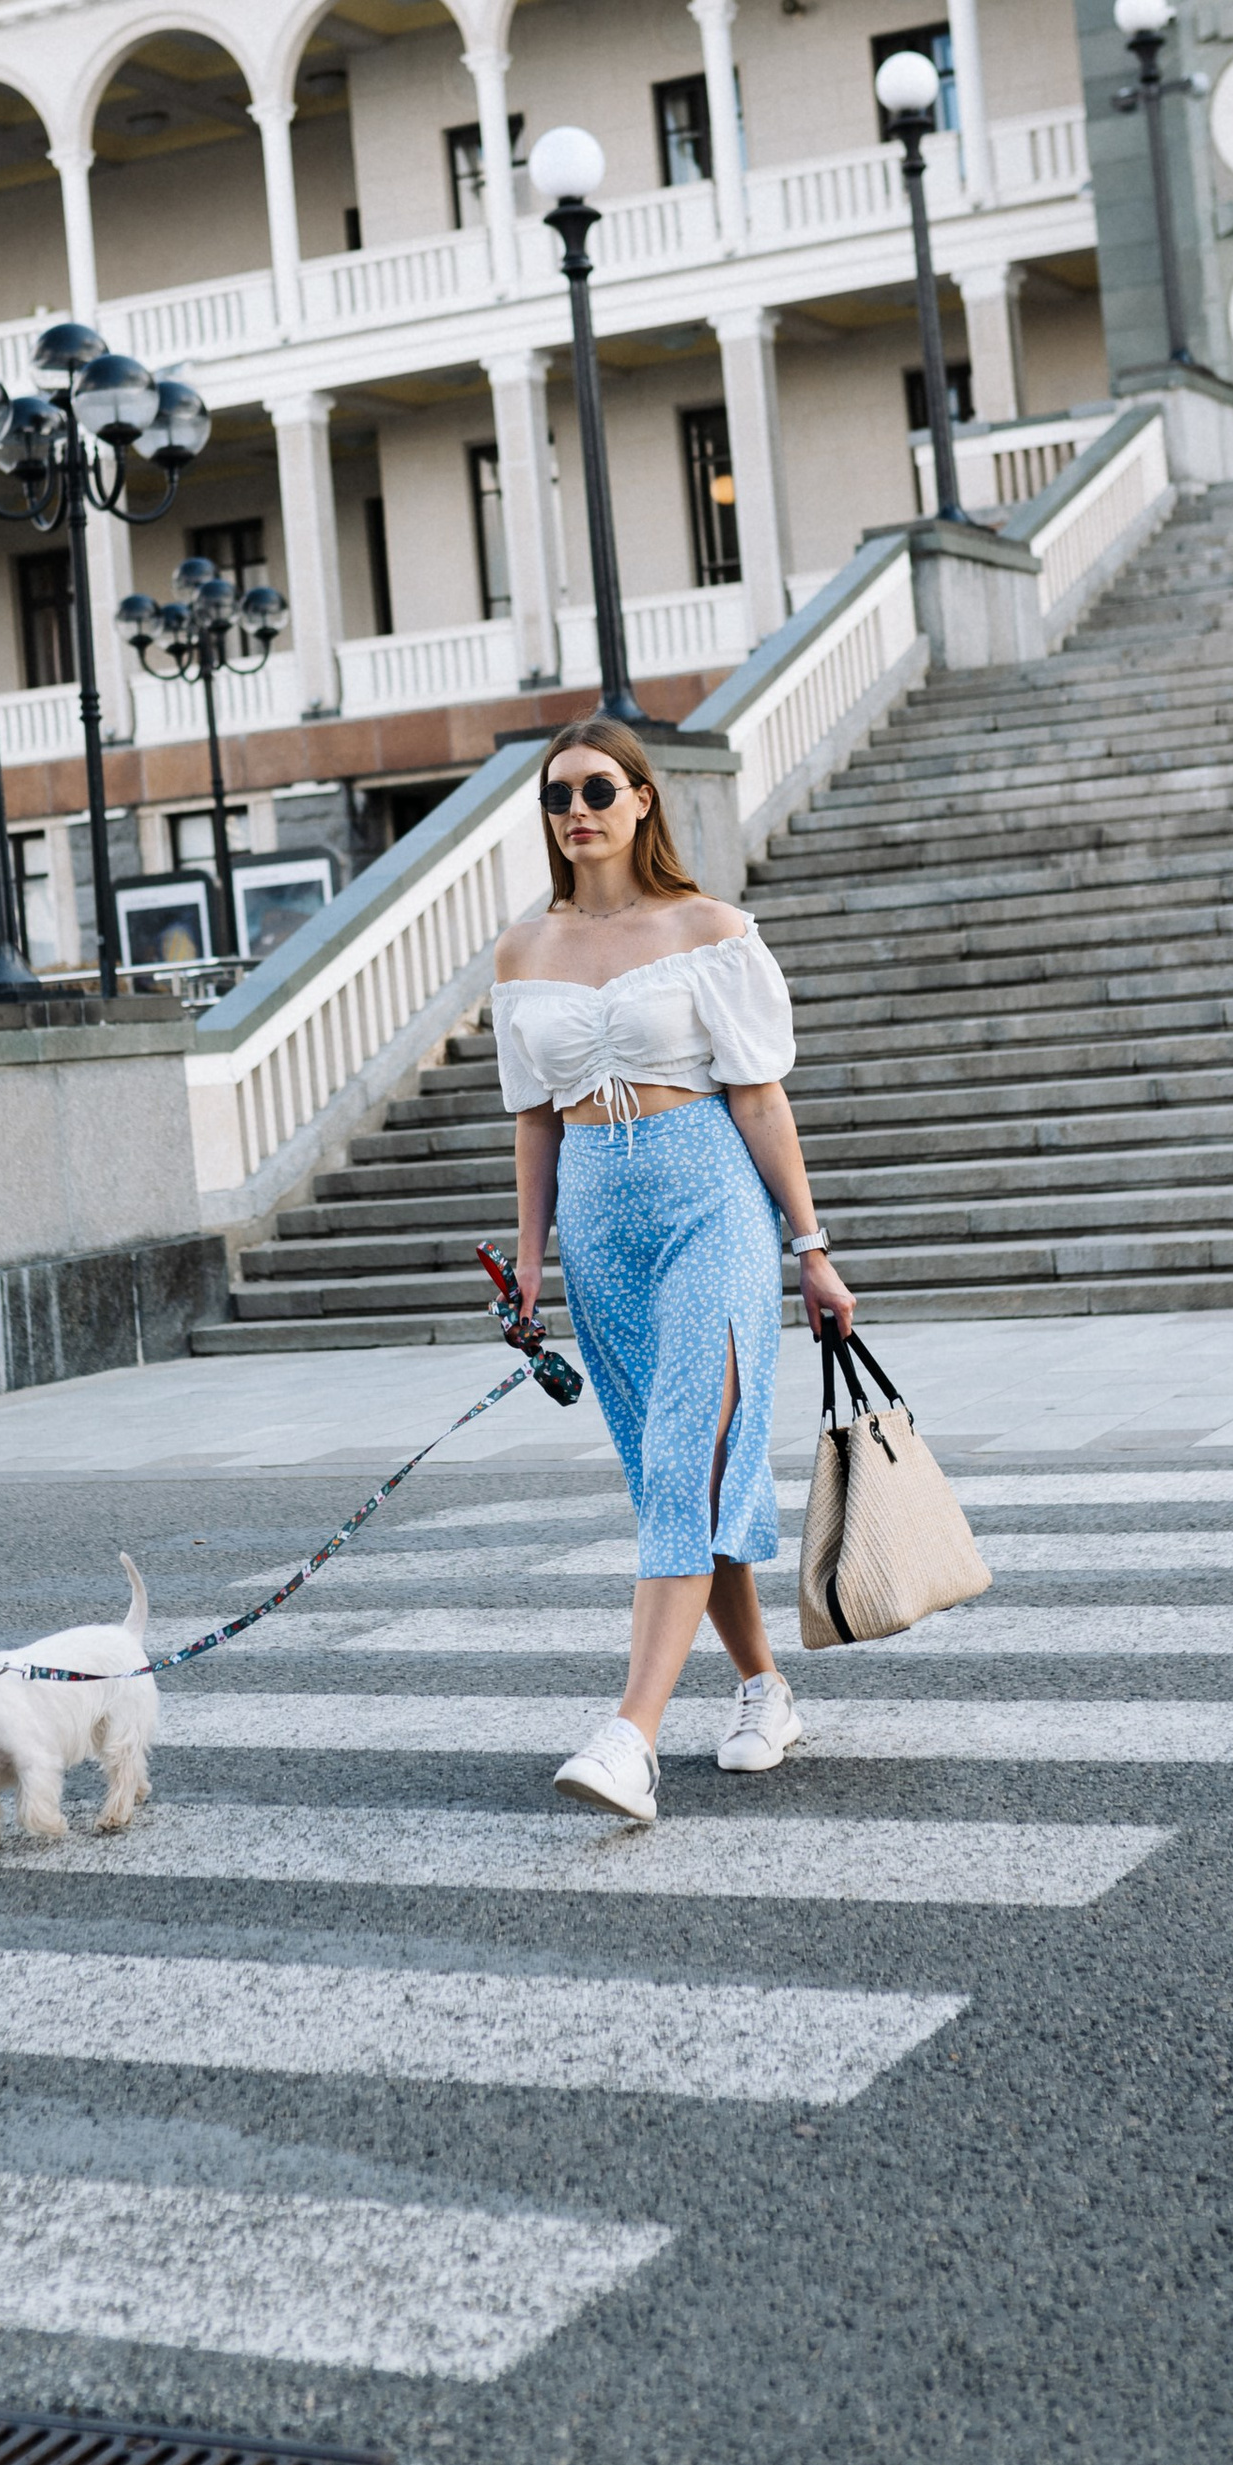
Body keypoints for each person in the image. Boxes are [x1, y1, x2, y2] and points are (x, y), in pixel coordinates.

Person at [493, 716, 857, 1823]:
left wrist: (811, 1249)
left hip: (711, 1203)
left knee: (684, 1456)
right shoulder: (522, 950)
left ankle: (630, 1737)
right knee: (676, 1473)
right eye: (558, 796)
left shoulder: (710, 929)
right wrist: (528, 1260)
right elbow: (533, 1120)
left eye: (598, 788)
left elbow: (760, 1097)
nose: (577, 810)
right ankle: (763, 1687)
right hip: (600, 1229)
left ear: (642, 798)